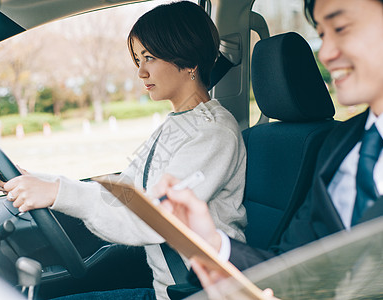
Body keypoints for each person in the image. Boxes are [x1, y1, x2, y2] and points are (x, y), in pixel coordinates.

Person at [0, 2, 248, 299]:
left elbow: (153, 220)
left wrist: (57, 193)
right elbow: (125, 191)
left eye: (149, 57)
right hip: (169, 290)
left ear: (189, 60)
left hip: (198, 293)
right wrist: (42, 181)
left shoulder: (213, 134)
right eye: (137, 59)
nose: (141, 72)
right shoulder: (177, 125)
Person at [155, 0, 383, 293]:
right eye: (323, 34)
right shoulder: (342, 144)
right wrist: (211, 243)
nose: (325, 54)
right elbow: (298, 273)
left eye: (341, 28)